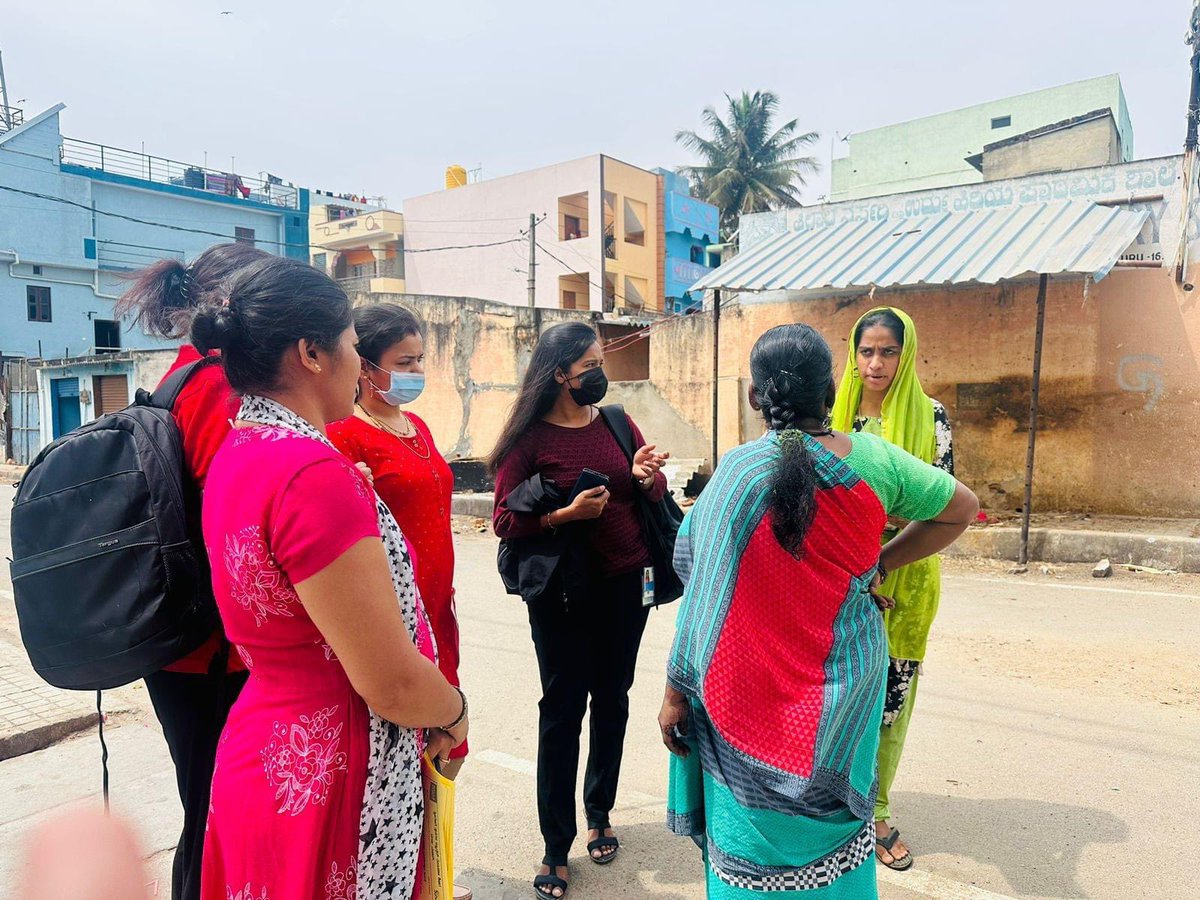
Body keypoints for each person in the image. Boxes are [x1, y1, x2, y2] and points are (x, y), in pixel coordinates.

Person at [659, 323, 977, 899]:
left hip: (744, 688)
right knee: (839, 840)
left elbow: (701, 587)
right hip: (847, 684)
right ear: (831, 394)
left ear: (757, 398)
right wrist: (880, 562)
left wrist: (677, 692)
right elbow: (962, 508)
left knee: (747, 851)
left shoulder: (734, 473)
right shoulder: (875, 462)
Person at [193, 257, 468, 899]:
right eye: (351, 344)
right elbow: (393, 685)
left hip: (266, 752)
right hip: (334, 770)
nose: (359, 363)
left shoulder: (242, 448)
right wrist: (453, 712)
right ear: (312, 353)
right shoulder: (314, 474)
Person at [490, 321, 671, 900]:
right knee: (562, 711)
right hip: (564, 596)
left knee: (613, 698)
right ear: (559, 373)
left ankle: (600, 812)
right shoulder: (528, 441)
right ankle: (554, 844)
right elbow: (503, 520)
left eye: (600, 361)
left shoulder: (615, 421)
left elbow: (652, 488)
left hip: (628, 584)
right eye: (588, 363)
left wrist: (646, 478)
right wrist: (563, 516)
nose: (599, 371)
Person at [114, 242, 269, 900]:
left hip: (184, 642)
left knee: (208, 809)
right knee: (217, 820)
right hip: (212, 650)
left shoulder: (185, 373)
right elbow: (235, 523)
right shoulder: (218, 386)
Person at [329, 303, 473, 900]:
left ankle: (435, 878)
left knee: (446, 755)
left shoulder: (417, 428)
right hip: (396, 625)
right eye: (404, 362)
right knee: (403, 768)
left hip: (441, 615)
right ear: (365, 367)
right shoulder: (344, 437)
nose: (416, 372)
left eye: (420, 360)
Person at [830, 306, 955, 871]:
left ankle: (876, 813)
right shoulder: (831, 417)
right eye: (865, 351)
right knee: (838, 694)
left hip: (906, 575)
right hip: (838, 578)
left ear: (905, 355)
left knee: (889, 705)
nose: (875, 363)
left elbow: (943, 504)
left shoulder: (933, 418)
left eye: (887, 351)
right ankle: (835, 803)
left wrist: (880, 556)